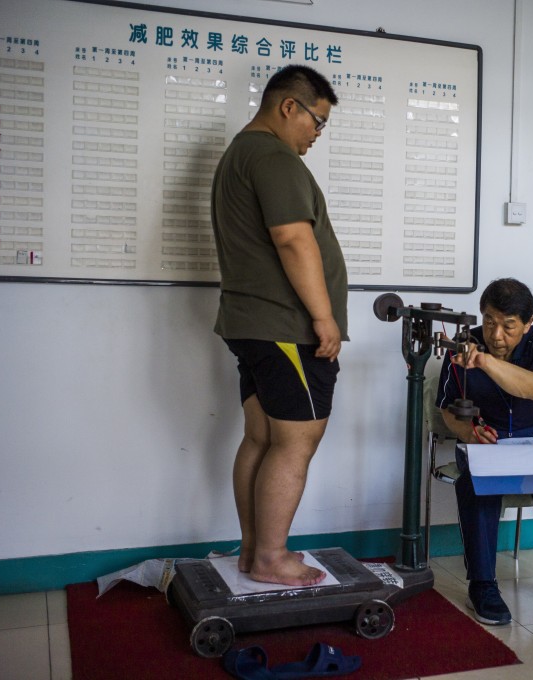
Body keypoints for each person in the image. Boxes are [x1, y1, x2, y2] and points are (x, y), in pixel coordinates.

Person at [211, 65, 347, 586]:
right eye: (317, 121)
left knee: (263, 437)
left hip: (253, 325)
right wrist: (323, 317)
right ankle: (270, 557)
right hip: (287, 328)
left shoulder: (239, 156)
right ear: (289, 106)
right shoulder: (272, 157)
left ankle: (252, 552)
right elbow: (293, 239)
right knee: (295, 442)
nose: (317, 133)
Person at [435, 278, 533, 624]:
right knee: (475, 486)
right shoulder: (462, 344)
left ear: (527, 323)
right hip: (484, 436)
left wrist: (486, 362)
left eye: (508, 327)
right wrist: (470, 433)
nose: (496, 336)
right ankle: (482, 584)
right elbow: (448, 408)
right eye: (489, 322)